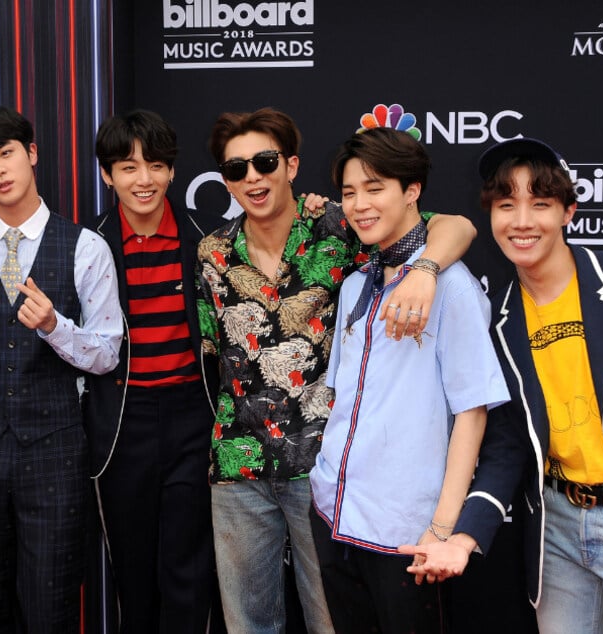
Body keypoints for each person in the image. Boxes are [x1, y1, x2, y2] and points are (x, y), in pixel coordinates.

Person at [196, 107, 476, 633]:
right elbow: (215, 350)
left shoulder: (342, 222)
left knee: (333, 621)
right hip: (238, 464)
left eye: (264, 161)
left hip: (324, 470)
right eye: (236, 169)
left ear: (291, 164)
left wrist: (425, 271)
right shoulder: (212, 252)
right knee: (247, 623)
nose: (252, 177)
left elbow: (454, 225)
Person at [400, 137, 603, 633]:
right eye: (506, 205)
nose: (522, 221)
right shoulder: (497, 320)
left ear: (569, 211)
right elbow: (506, 444)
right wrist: (463, 536)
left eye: (540, 204)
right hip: (556, 528)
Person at [308, 128, 509, 633]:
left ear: (412, 191)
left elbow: (472, 411)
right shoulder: (356, 282)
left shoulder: (453, 288)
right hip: (335, 516)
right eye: (350, 192)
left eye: (374, 188)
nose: (359, 205)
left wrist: (442, 530)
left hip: (407, 535)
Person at [0, 105, 122, 633]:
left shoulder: (86, 246)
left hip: (56, 450)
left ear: (32, 154)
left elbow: (108, 353)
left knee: (52, 603)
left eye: (6, 153)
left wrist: (55, 326)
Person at [85, 110, 224, 633]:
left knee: (188, 572)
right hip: (123, 422)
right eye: (128, 167)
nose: (143, 180)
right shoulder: (88, 246)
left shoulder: (206, 242)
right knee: (133, 574)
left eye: (156, 166)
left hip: (194, 416)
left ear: (171, 172)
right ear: (107, 175)